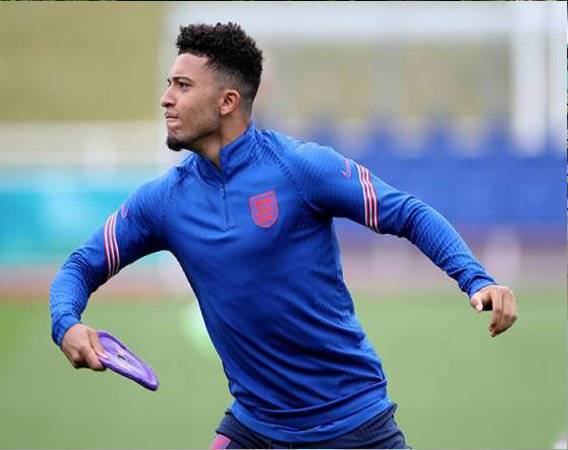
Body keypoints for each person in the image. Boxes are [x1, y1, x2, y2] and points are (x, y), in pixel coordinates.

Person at [49, 22, 518, 449]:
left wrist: (476, 279)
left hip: (352, 425)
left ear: (228, 101)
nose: (166, 98)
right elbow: (81, 265)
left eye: (183, 85)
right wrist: (66, 323)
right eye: (169, 84)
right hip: (256, 428)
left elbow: (409, 213)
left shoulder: (298, 168)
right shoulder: (163, 202)